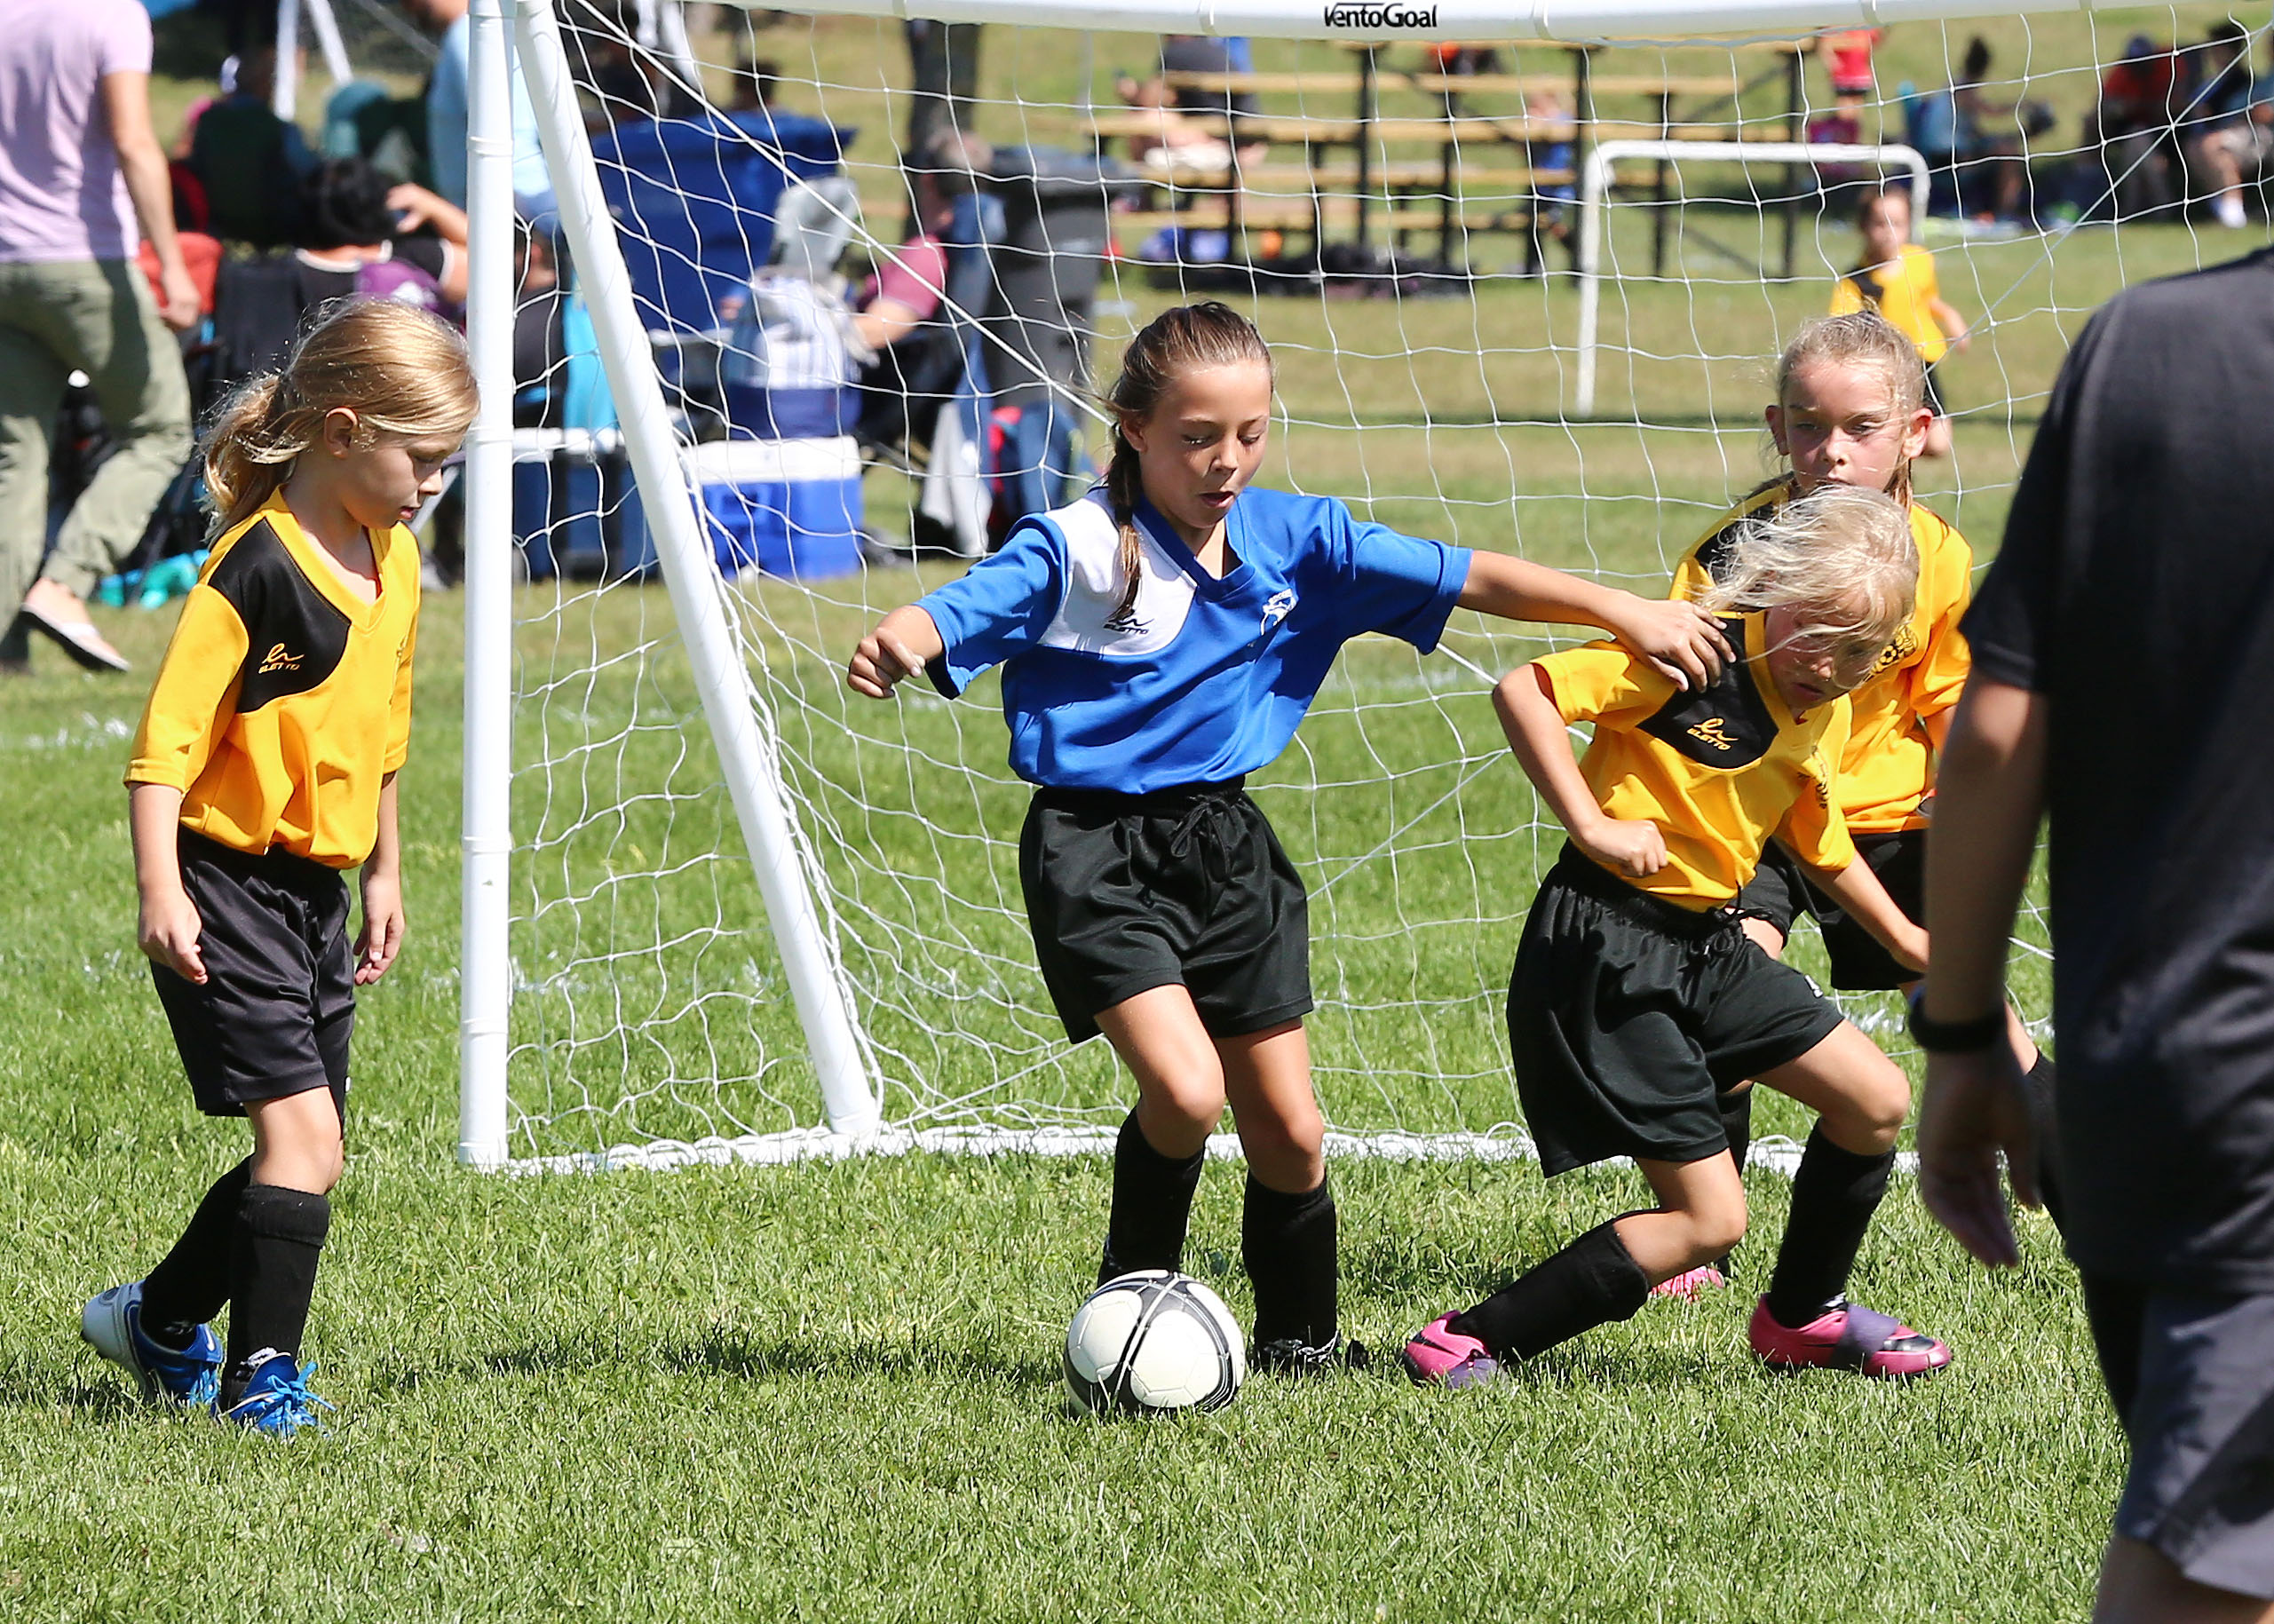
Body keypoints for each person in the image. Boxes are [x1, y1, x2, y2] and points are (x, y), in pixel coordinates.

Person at [844, 302, 1732, 1374]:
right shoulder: (1076, 546)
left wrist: (1626, 610)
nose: (1227, 461)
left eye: (1250, 434)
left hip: (1227, 850)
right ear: (1130, 426)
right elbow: (965, 604)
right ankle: (1124, 1314)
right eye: (1196, 437)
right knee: (1182, 1091)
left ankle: (1303, 1345)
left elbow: (1468, 574)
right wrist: (905, 638)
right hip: (1093, 850)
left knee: (1293, 1134)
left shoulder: (1298, 541)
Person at [1403, 486, 1953, 1389]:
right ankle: (1468, 1339)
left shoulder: (1829, 705)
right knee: (1709, 1218)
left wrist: (1904, 936)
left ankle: (1799, 1316)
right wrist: (1589, 822)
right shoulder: (1683, 655)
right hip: (1605, 944)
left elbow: (1815, 839)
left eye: (1862, 652)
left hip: (1708, 943)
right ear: (1769, 586)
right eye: (1816, 633)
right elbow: (1525, 690)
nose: (1832, 665)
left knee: (1874, 1099)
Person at [1918, 252, 2274, 1624]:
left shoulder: (2148, 348)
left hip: (2177, 1086)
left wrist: (1961, 1036)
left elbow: (1997, 728)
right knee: (2214, 1564)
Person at [78, 300, 476, 1436]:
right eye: (424, 458)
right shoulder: (249, 571)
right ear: (343, 432)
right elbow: (164, 748)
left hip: (316, 892)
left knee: (308, 1151)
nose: (432, 484)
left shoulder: (393, 557)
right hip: (221, 879)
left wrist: (387, 868)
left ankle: (155, 1320)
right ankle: (262, 1381)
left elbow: (384, 728)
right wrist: (161, 888)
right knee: (302, 1143)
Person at [1665, 312, 2057, 1297]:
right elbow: (1687, 688)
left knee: (1969, 998)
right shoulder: (1729, 553)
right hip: (1759, 807)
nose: (1829, 451)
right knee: (1727, 990)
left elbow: (1951, 698)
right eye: (1804, 426)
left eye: (1858, 427)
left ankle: (2075, 1178)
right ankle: (1700, 1236)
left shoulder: (1937, 555)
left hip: (1884, 819)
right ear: (1775, 424)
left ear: (1915, 431)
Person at [0, 0, 200, 677]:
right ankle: (64, 584)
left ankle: (5, 646)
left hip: (5, 265)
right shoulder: (109, 15)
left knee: (15, 459)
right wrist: (172, 267)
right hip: (82, 261)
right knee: (162, 427)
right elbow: (134, 141)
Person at [1829, 184, 1970, 459]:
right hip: (1887, 367)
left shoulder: (1919, 260)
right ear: (1863, 227)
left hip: (1923, 358)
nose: (1889, 232)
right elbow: (1840, 325)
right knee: (1887, 437)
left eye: (1897, 223)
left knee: (1938, 445)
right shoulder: (1857, 281)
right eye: (1880, 224)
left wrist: (1952, 319)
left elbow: (1928, 298)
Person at [2183, 21, 2268, 229]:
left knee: (2213, 147)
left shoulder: (2242, 80)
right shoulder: (2210, 82)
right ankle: (2219, 207)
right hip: (2210, 135)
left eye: (2217, 47)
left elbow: (2250, 114)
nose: (2212, 52)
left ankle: (2233, 211)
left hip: (2246, 135)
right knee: (2195, 147)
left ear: (2231, 50)